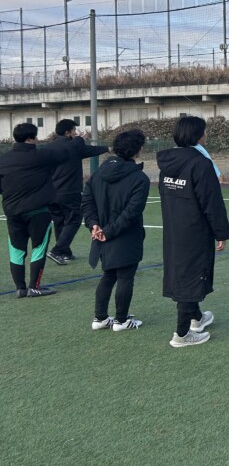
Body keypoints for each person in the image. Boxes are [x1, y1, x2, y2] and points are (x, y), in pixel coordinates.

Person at [158, 116, 229, 348]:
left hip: (174, 230)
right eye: (204, 131)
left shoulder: (166, 163)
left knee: (184, 273)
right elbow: (212, 202)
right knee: (191, 277)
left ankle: (197, 318)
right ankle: (182, 335)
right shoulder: (200, 163)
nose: (206, 135)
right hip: (195, 230)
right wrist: (221, 233)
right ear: (197, 135)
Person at [83, 129, 149, 331]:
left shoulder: (98, 174)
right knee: (125, 276)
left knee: (109, 275)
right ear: (137, 150)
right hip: (124, 234)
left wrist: (94, 224)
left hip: (103, 232)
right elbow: (132, 212)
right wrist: (105, 229)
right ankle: (121, 320)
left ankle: (100, 318)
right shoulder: (139, 178)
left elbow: (87, 201)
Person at [0, 122, 71, 297]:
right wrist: (70, 140)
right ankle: (34, 287)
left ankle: (20, 288)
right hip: (38, 211)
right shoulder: (42, 156)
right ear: (31, 138)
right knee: (38, 248)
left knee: (17, 250)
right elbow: (64, 155)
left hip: (12, 211)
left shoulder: (4, 159)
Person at [47, 118, 109, 264]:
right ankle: (58, 250)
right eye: (74, 130)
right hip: (69, 191)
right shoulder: (74, 146)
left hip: (51, 192)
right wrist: (82, 139)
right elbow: (82, 145)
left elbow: (89, 150)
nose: (76, 133)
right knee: (74, 220)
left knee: (60, 221)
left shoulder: (50, 147)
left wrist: (105, 148)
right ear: (67, 132)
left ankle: (65, 252)